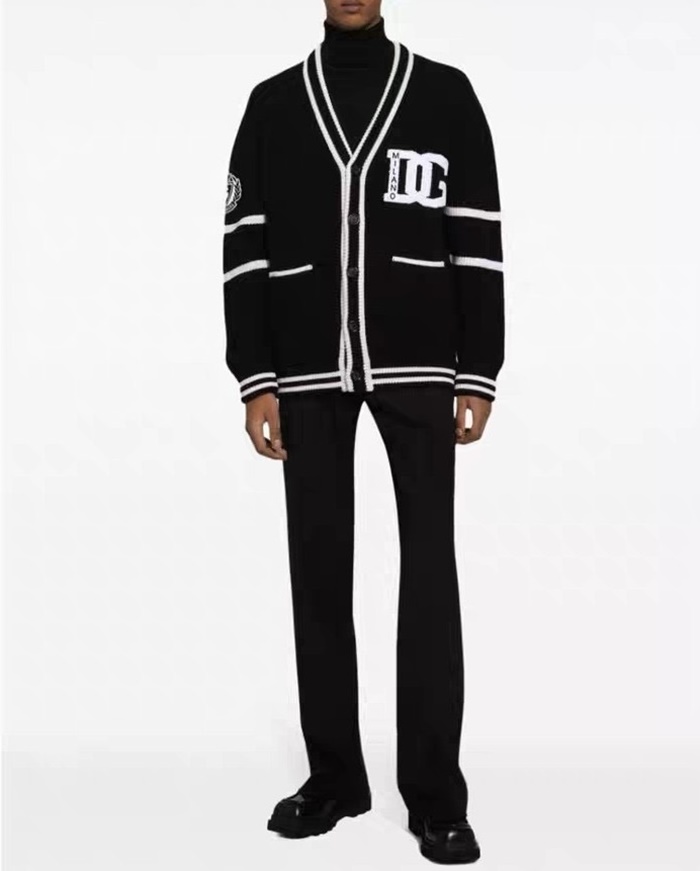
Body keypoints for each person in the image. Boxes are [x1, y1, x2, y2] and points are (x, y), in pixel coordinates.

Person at [222, 0, 504, 863]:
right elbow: (244, 244)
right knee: (317, 569)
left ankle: (436, 796)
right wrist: (255, 376)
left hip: (420, 364)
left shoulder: (446, 96)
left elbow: (478, 235)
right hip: (304, 368)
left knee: (429, 572)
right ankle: (336, 778)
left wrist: (478, 367)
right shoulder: (273, 105)